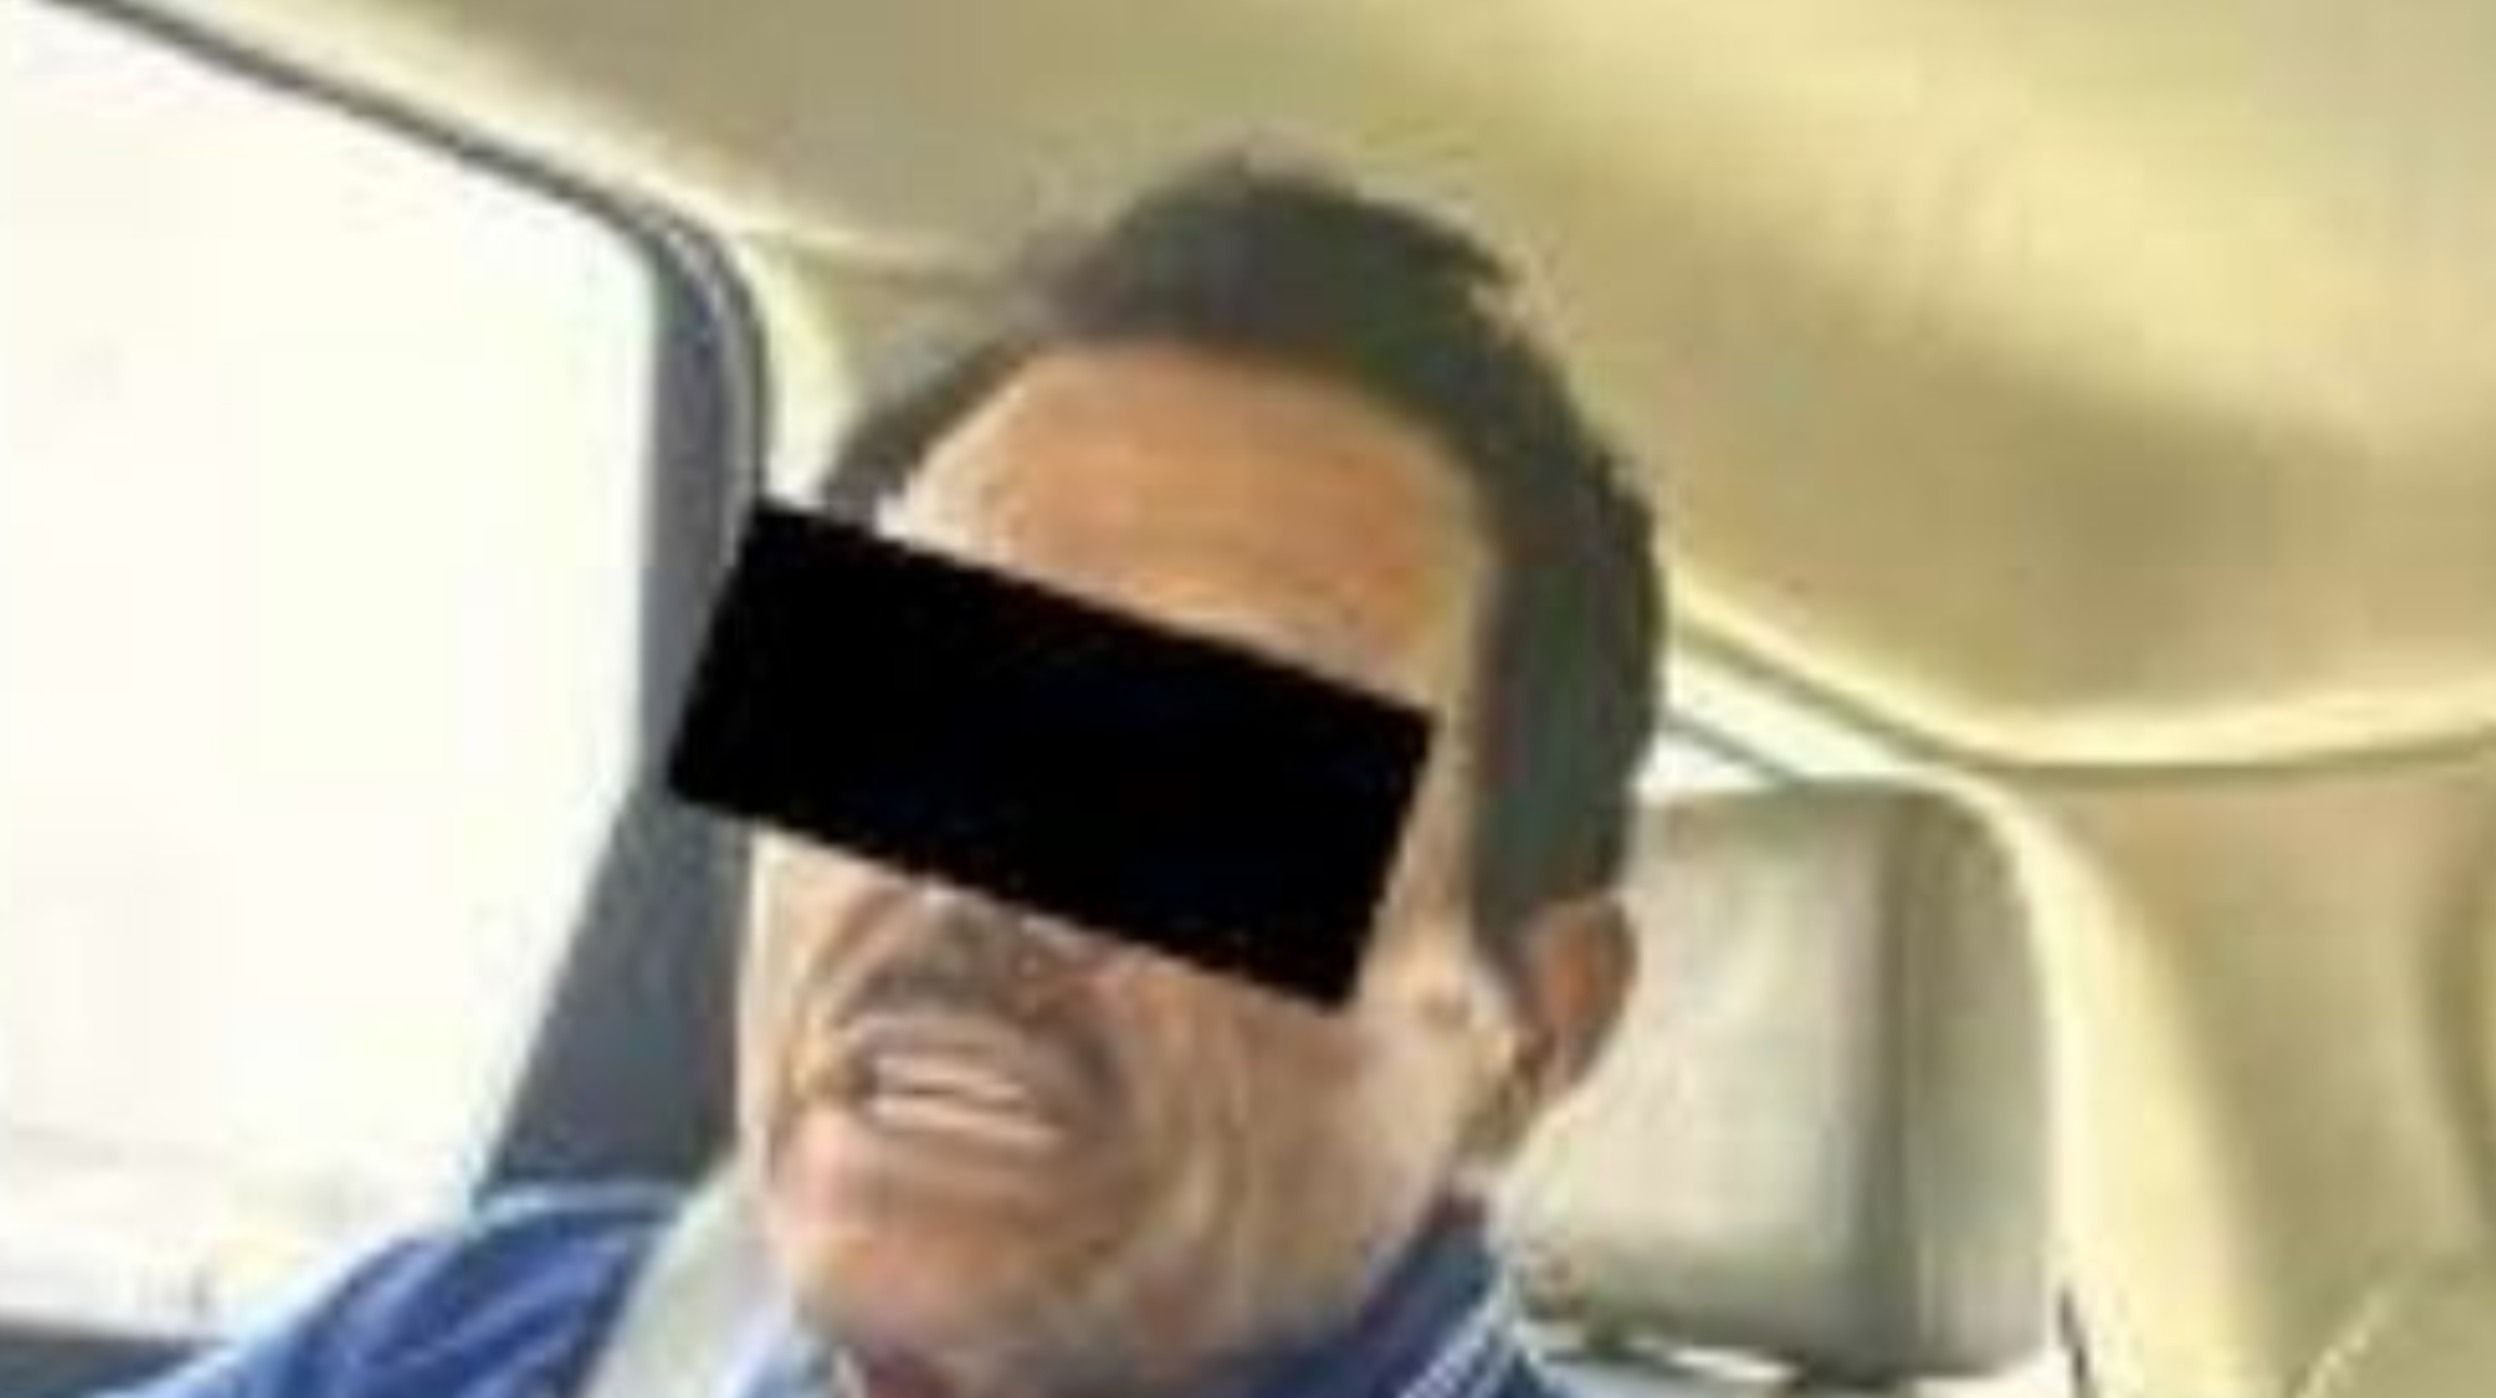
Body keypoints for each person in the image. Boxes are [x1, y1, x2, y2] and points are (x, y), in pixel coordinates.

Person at [117, 156, 1664, 1398]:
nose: (976, 877)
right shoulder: (481, 1329)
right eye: (906, 717)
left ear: (1532, 1035)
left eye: (1194, 779)